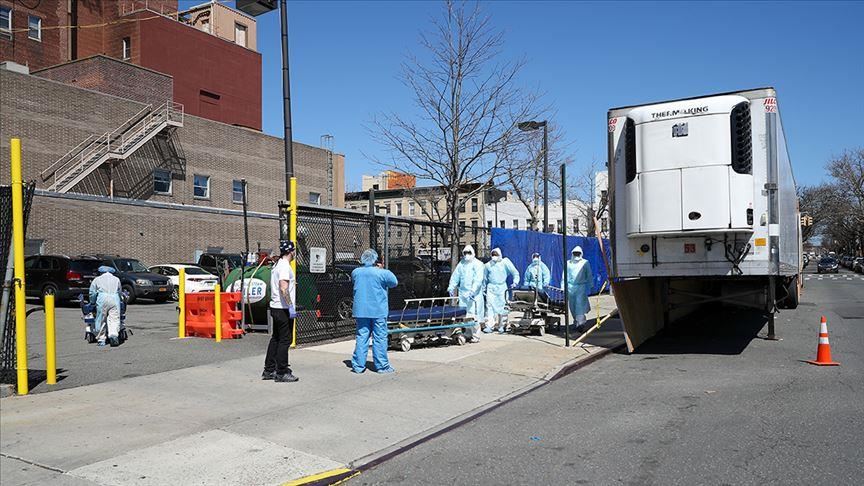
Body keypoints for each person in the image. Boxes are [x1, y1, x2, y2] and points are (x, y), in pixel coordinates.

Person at [351, 249, 398, 374]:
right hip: (378, 310)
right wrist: (381, 269)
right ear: (376, 260)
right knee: (380, 338)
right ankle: (382, 366)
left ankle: (358, 365)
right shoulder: (382, 273)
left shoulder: (356, 272)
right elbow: (394, 282)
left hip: (361, 311)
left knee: (362, 337)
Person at [263, 240, 299, 383]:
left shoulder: (277, 265)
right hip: (283, 308)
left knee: (276, 338)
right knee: (285, 340)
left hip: (275, 307)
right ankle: (281, 372)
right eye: (294, 250)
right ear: (291, 251)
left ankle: (269, 369)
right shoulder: (284, 266)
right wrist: (291, 307)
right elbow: (283, 288)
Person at [448, 244, 485, 343]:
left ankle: (476, 335)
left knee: (474, 316)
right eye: (465, 253)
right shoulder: (462, 264)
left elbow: (478, 279)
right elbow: (456, 276)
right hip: (463, 294)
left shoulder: (478, 264)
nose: (467, 255)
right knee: (465, 316)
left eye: (469, 252)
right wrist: (451, 287)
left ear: (473, 253)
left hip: (474, 295)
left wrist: (473, 291)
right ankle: (468, 333)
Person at [483, 248, 519, 333]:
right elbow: (484, 278)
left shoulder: (505, 262)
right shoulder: (488, 265)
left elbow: (515, 272)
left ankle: (502, 325)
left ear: (500, 255)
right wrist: (483, 288)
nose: (494, 256)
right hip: (491, 288)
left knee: (503, 307)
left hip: (502, 288)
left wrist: (515, 282)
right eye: (493, 255)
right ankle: (489, 325)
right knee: (490, 307)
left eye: (496, 255)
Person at [89, 265, 122, 347]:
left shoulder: (97, 279)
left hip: (102, 299)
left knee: (101, 319)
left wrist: (92, 301)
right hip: (114, 299)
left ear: (101, 272)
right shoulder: (116, 279)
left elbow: (92, 292)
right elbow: (119, 291)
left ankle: (101, 339)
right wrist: (120, 300)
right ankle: (113, 335)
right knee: (114, 318)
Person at [563, 245, 594, 332]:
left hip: (581, 287)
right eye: (575, 253)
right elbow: (564, 275)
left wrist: (591, 285)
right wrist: (563, 286)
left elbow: (589, 274)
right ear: (572, 253)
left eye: (578, 253)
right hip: (570, 287)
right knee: (572, 306)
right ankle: (576, 321)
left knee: (579, 305)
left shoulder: (585, 263)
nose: (576, 255)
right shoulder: (568, 263)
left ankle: (581, 323)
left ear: (581, 254)